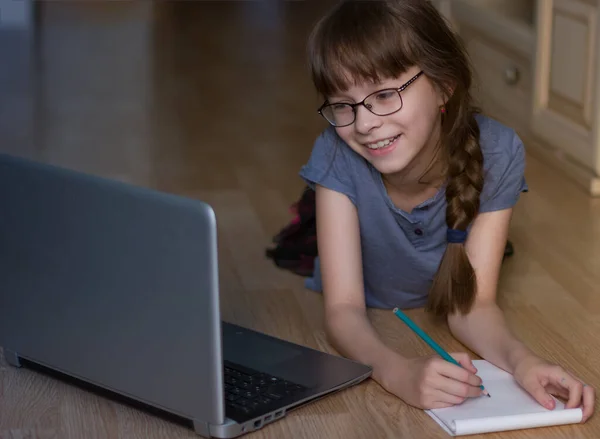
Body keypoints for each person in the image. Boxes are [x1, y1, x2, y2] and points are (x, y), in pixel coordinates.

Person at [289, 0, 595, 422]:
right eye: (344, 105)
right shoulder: (335, 152)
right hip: (372, 304)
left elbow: (472, 306)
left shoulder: (499, 153)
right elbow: (343, 311)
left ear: (444, 85)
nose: (363, 124)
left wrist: (523, 361)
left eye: (384, 95)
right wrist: (396, 372)